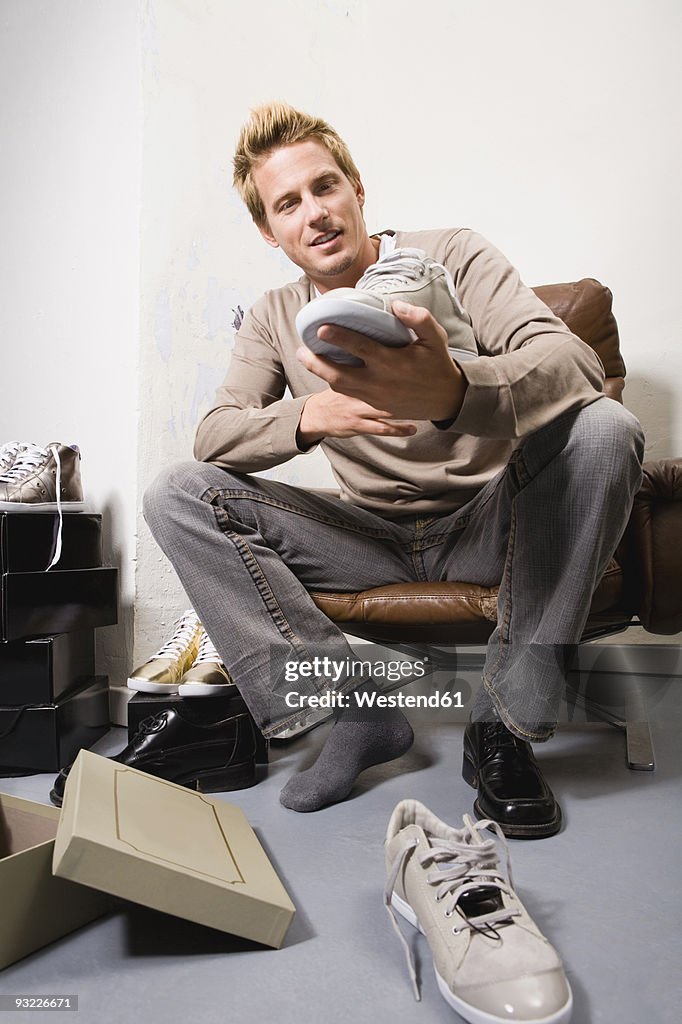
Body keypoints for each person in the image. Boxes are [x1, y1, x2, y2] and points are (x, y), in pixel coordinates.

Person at [143, 101, 644, 835]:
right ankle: (353, 710)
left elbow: (574, 362)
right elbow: (215, 436)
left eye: (324, 187)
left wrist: (453, 393)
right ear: (268, 230)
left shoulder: (453, 256)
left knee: (607, 428)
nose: (314, 213)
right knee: (177, 493)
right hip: (368, 537)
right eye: (288, 203)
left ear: (357, 189)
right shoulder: (274, 316)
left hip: (489, 523)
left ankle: (504, 723)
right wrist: (307, 418)